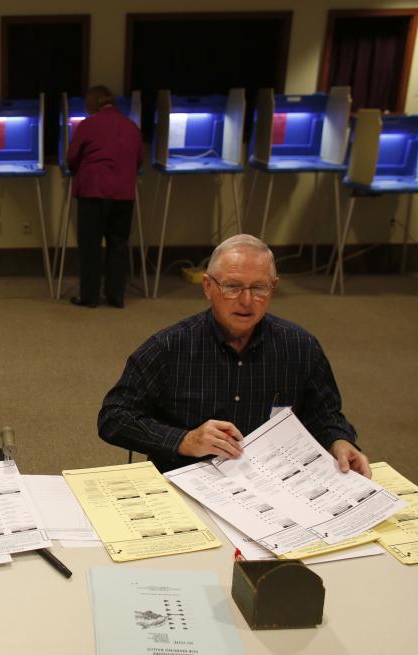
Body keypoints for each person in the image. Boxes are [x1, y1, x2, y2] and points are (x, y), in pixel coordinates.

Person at [98, 234, 370, 477]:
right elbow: (114, 417)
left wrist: (340, 441)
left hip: (272, 482)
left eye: (259, 288)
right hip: (188, 480)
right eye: (233, 287)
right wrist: (184, 440)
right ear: (208, 287)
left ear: (273, 286)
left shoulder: (300, 346)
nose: (247, 300)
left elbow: (325, 415)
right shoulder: (169, 347)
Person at [66, 85, 144, 308]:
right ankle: (116, 296)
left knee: (90, 246)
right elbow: (139, 159)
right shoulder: (131, 126)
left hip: (94, 191)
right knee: (118, 244)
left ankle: (89, 297)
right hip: (124, 194)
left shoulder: (88, 125)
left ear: (92, 104)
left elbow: (72, 157)